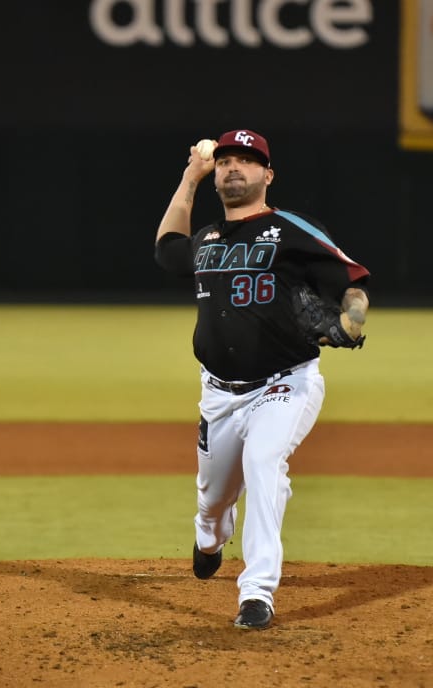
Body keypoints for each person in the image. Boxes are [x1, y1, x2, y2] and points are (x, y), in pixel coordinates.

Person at [154, 129, 371, 629]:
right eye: (225, 161)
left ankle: (257, 593)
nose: (233, 167)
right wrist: (190, 178)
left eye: (247, 161)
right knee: (212, 504)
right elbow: (167, 249)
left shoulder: (290, 229)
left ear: (267, 175)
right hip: (218, 393)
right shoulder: (207, 239)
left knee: (264, 462)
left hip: (285, 383)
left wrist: (353, 320)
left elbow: (353, 281)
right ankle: (210, 539)